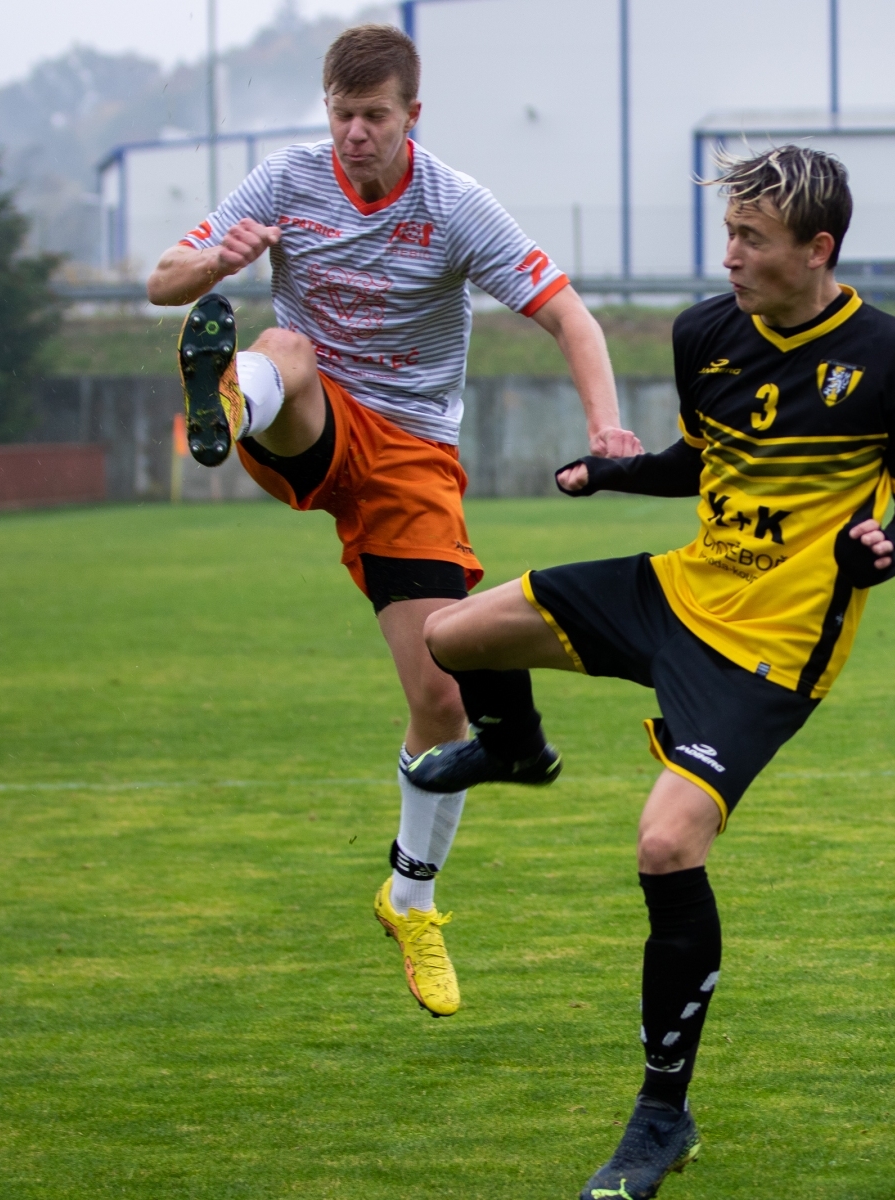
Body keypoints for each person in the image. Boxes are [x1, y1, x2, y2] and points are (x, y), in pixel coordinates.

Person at [404, 145, 895, 1198]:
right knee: (452, 635)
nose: (730, 255)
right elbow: (703, 461)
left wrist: (882, 551)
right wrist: (617, 474)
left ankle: (662, 1115)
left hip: (771, 648)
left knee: (666, 845)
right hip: (680, 587)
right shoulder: (704, 331)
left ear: (818, 249)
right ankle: (516, 749)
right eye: (730, 233)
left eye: (752, 238)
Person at [145, 24, 641, 1019]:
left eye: (373, 116)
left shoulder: (455, 204)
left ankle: (409, 900)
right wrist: (213, 265)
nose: (354, 133)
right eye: (341, 115)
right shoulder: (285, 181)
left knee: (442, 696)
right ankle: (225, 405)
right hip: (308, 418)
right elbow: (164, 279)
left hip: (410, 457)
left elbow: (568, 315)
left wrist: (607, 426)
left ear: (413, 114)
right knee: (286, 346)